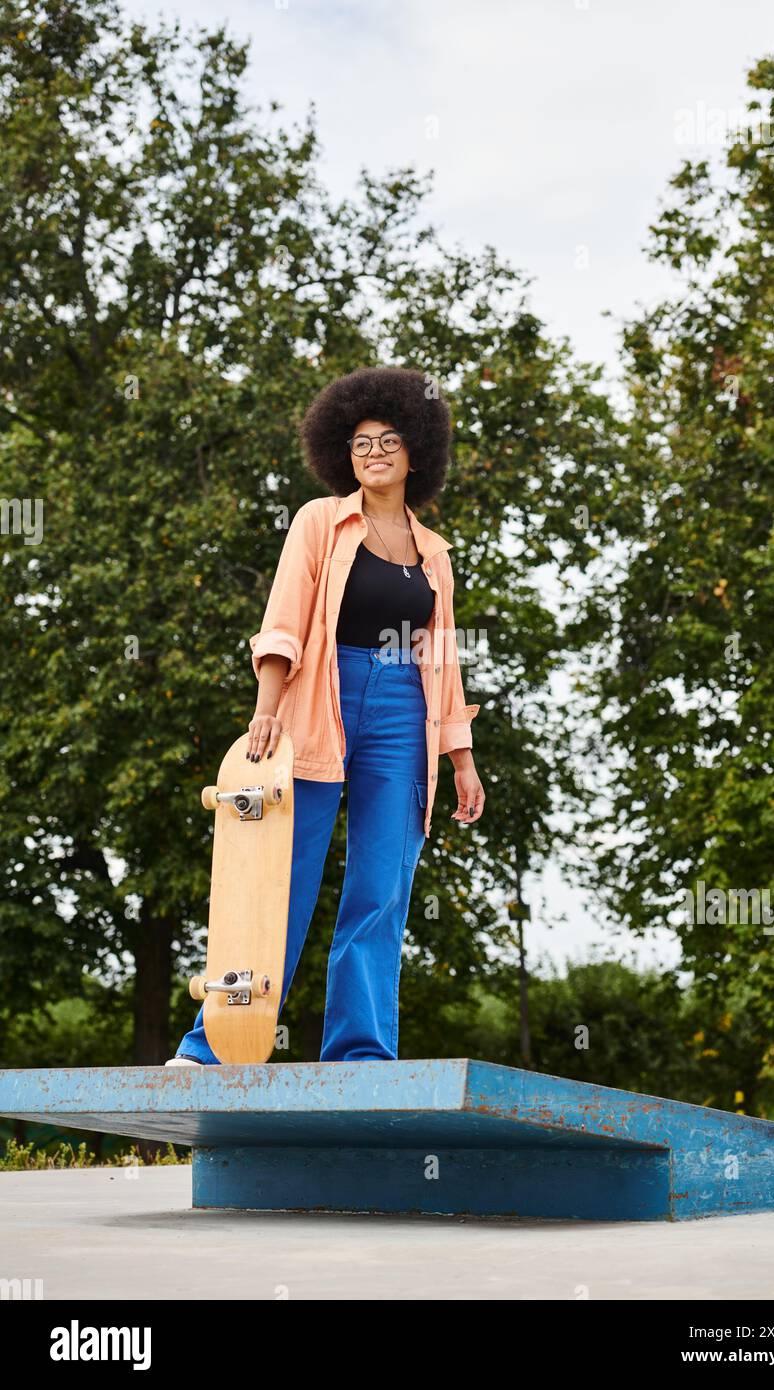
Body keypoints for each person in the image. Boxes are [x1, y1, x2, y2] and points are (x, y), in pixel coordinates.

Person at [166, 366, 484, 1066]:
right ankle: (211, 1044)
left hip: (406, 709)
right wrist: (266, 709)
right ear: (342, 452)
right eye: (361, 442)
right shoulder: (320, 521)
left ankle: (362, 1056)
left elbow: (445, 660)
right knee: (277, 877)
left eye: (389, 439)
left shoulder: (436, 554)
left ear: (416, 451)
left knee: (379, 887)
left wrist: (461, 757)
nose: (374, 452)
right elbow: (283, 620)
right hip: (320, 695)